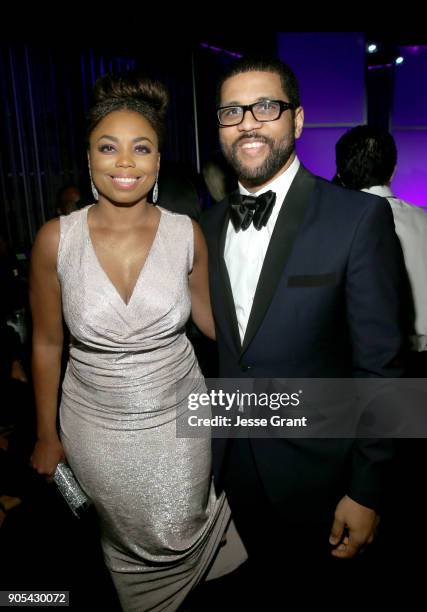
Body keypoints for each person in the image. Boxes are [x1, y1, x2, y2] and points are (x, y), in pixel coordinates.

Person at [201, 56, 407, 604]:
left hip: (322, 478)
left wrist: (368, 490)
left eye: (265, 107)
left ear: (296, 121)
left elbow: (382, 367)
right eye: (231, 111)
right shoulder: (205, 226)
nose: (247, 122)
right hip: (227, 477)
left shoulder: (357, 218)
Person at [29, 71, 229, 612]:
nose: (125, 162)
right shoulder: (56, 239)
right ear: (89, 158)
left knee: (184, 523)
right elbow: (46, 344)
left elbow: (214, 324)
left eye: (141, 149)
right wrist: (46, 435)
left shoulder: (186, 233)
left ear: (159, 162)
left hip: (179, 415)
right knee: (122, 544)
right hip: (94, 424)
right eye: (108, 148)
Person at [335, 124, 427, 376]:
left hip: (366, 363)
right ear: (393, 170)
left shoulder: (333, 228)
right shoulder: (423, 219)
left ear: (340, 175)